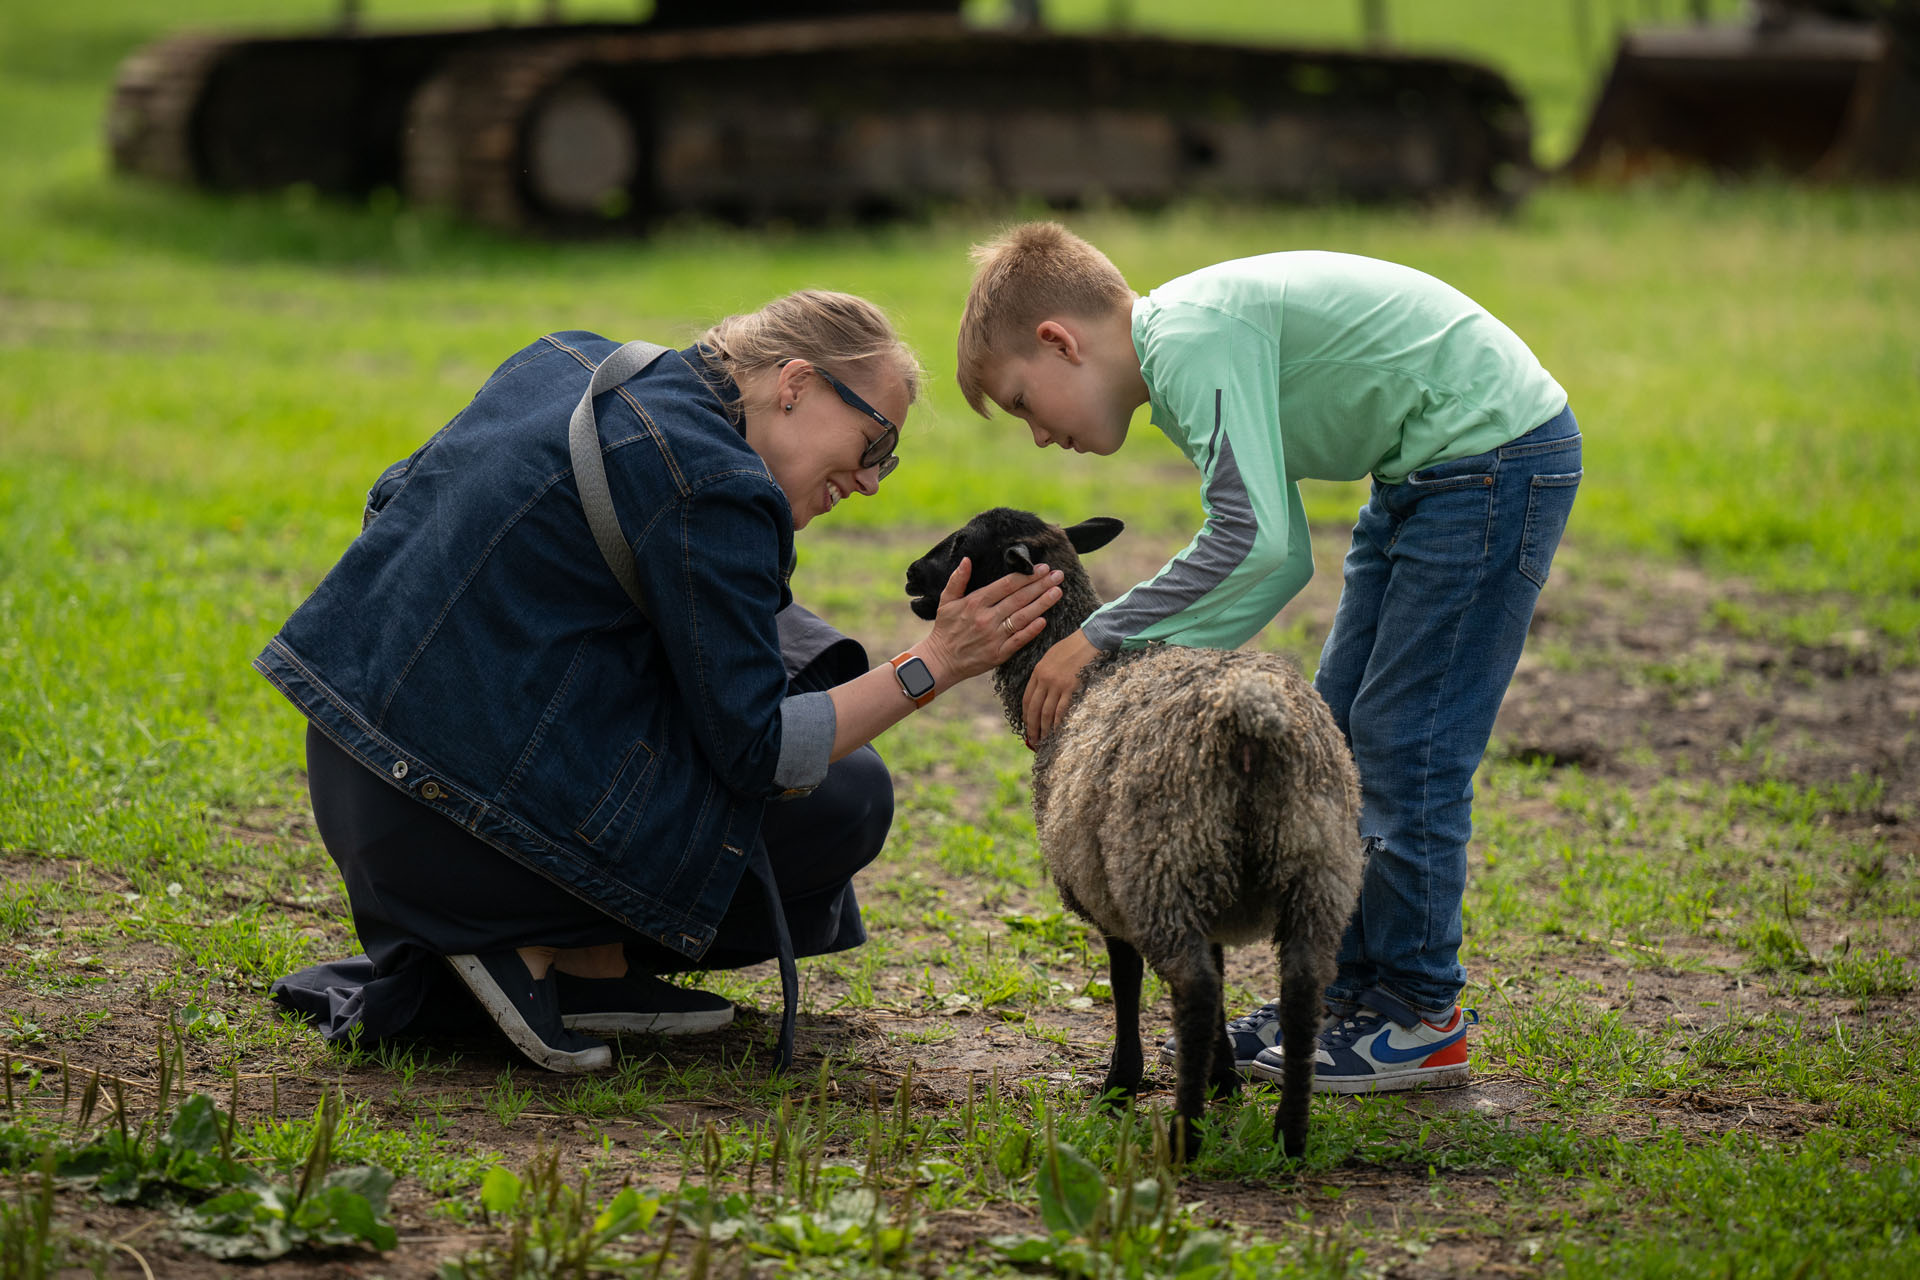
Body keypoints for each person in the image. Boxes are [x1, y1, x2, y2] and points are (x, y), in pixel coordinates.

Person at [260, 290, 1067, 1073]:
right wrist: (937, 662)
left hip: (356, 770)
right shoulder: (717, 483)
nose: (871, 480)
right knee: (843, 797)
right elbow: (763, 752)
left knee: (786, 655)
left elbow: (390, 502)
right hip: (449, 830)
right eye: (874, 442)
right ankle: (517, 942)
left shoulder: (567, 362)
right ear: (795, 385)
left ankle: (590, 967)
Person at [956, 223, 1582, 1094]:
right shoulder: (1184, 361)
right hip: (1427, 476)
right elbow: (1282, 554)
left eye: (1024, 402)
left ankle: (1418, 1012)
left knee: (1408, 743)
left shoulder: (1188, 343)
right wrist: (1155, 685)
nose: (1036, 436)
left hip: (1489, 460)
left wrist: (1098, 640)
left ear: (1060, 342)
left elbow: (1250, 541)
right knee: (1339, 727)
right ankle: (1349, 997)